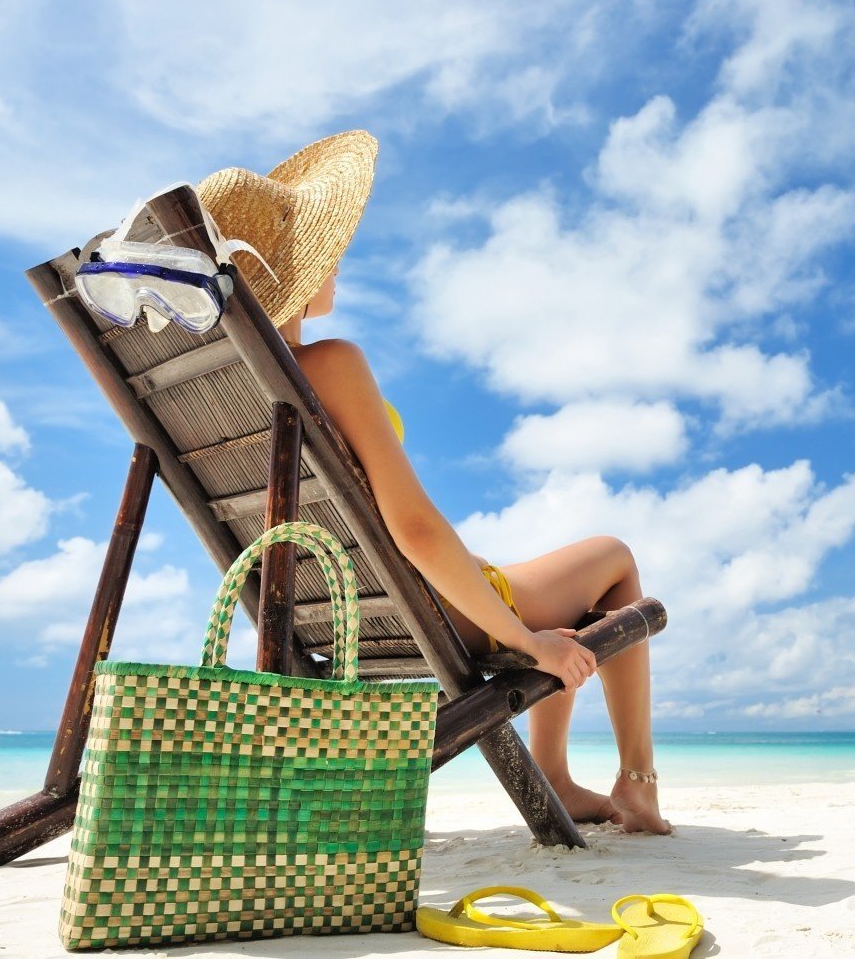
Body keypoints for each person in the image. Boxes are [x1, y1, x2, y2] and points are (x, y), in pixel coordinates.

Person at [195, 130, 670, 834]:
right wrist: (525, 640)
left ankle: (558, 778)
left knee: (565, 617)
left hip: (330, 617)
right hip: (435, 607)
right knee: (614, 558)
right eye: (328, 250)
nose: (338, 260)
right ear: (296, 272)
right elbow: (413, 529)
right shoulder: (331, 366)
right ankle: (638, 784)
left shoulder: (220, 400)